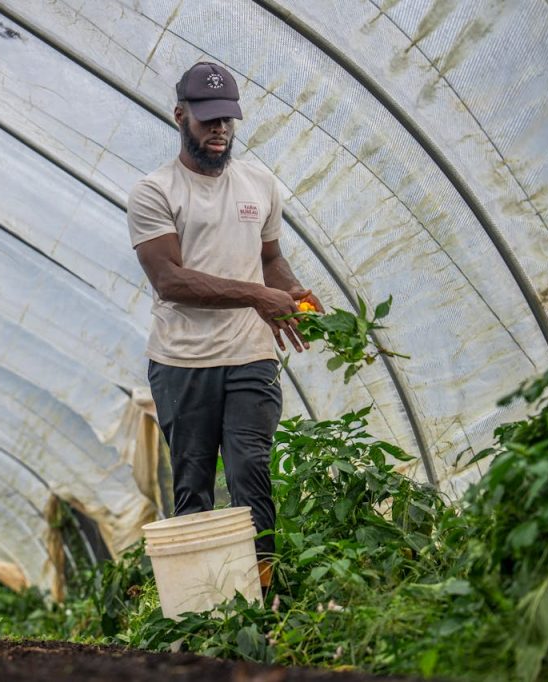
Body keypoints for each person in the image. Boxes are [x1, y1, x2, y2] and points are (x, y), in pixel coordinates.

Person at [127, 62, 323, 593]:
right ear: (180, 116)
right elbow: (171, 281)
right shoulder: (155, 191)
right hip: (181, 361)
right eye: (207, 119)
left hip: (249, 355)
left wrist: (291, 291)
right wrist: (258, 295)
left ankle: (265, 600)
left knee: (250, 472)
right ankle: (201, 607)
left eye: (227, 120)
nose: (218, 130)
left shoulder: (259, 183)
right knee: (192, 486)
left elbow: (270, 257)